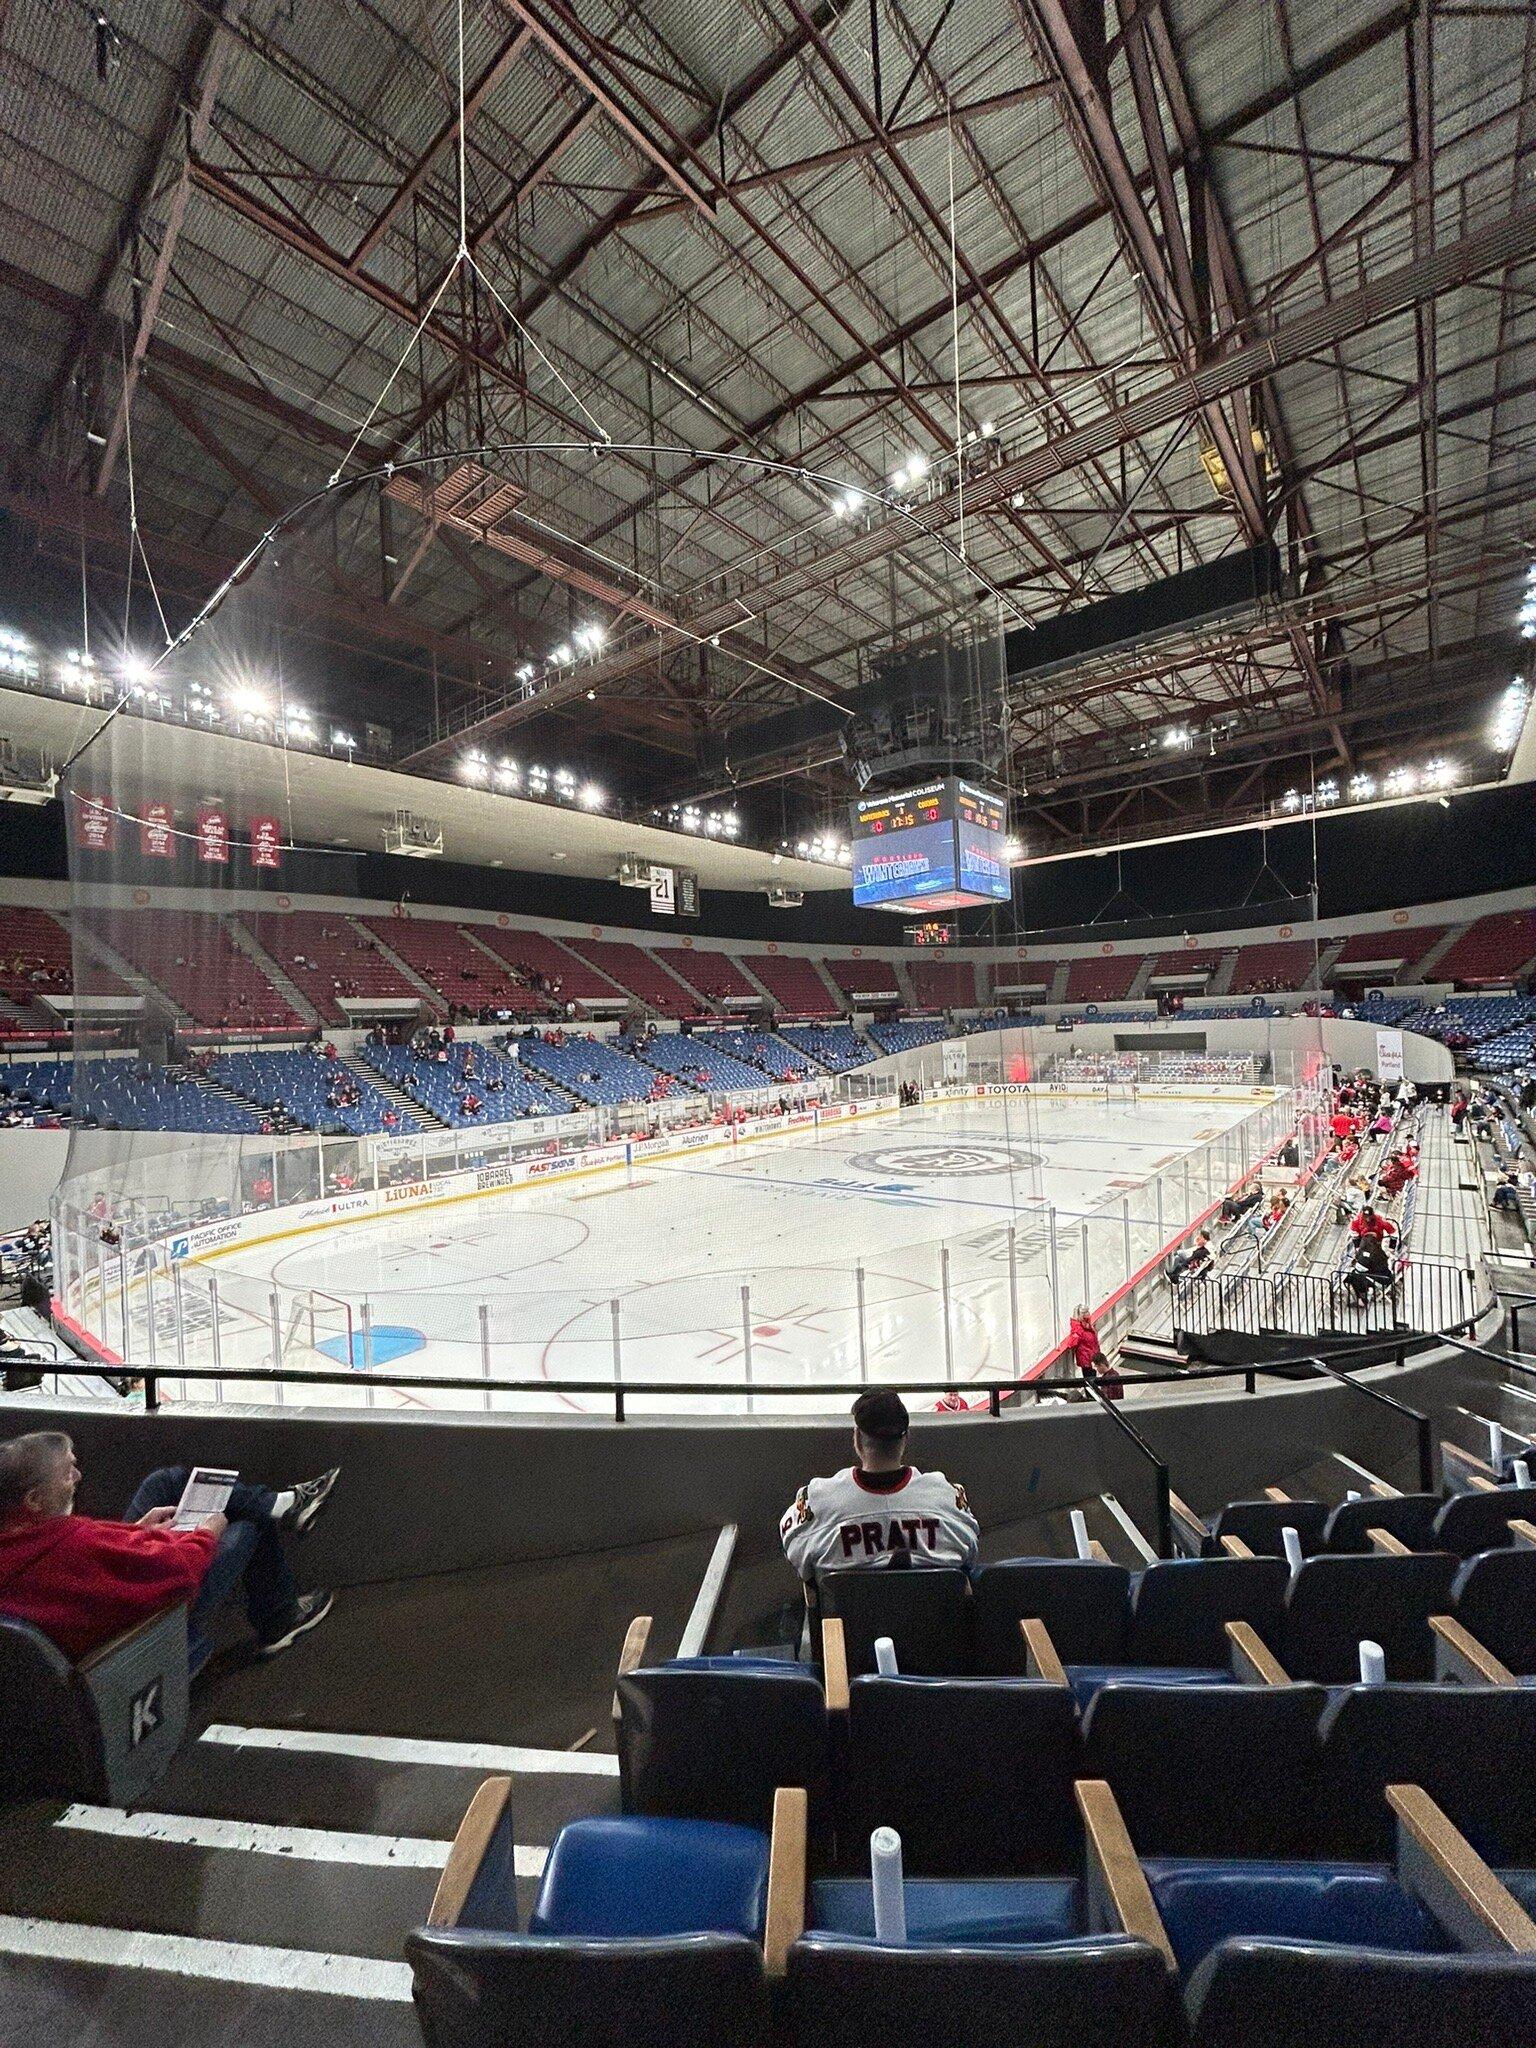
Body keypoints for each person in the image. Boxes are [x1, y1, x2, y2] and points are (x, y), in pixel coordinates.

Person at [0, 1432, 339, 1673]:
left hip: (113, 1584)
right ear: (34, 1501)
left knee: (164, 1483)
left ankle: (281, 1505)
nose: (77, 1476)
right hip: (142, 1626)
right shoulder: (72, 1543)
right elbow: (177, 1571)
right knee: (247, 1525)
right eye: (66, 1473)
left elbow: (96, 1555)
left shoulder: (22, 1542)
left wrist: (139, 1533)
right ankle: (280, 1618)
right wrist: (207, 1533)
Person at [779, 1389, 979, 1577]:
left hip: (850, 1615)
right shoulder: (948, 1498)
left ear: (857, 1438)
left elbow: (799, 1559)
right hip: (933, 1614)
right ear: (906, 1438)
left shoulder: (817, 1501)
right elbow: (970, 1554)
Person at [1346, 1231, 1395, 1303]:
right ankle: (1362, 1296)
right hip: (1386, 1276)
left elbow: (1361, 1268)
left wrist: (1354, 1264)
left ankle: (1361, 1299)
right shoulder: (1378, 1250)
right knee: (1356, 1275)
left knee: (1355, 1276)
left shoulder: (1367, 1254)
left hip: (1381, 1279)